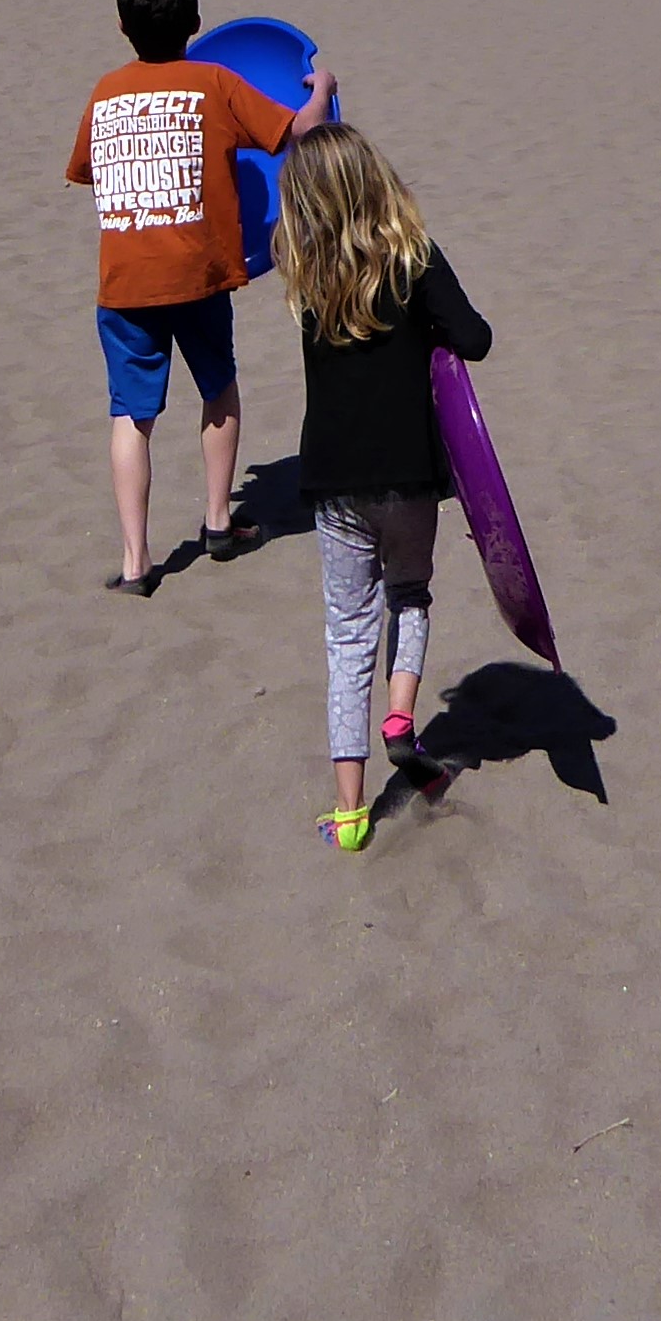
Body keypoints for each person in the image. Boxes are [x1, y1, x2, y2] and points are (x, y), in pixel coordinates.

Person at [68, 0, 332, 594]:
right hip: (200, 273)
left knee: (131, 414)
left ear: (122, 27)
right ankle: (219, 523)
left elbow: (88, 171)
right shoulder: (213, 81)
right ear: (195, 23)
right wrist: (320, 85)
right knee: (218, 387)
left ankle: (136, 563)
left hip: (127, 279)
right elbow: (303, 130)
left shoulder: (105, 91)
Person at [274, 122, 492, 854]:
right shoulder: (411, 258)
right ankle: (401, 716)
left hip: (334, 483)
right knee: (410, 596)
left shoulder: (302, 268)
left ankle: (349, 809)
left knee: (346, 633)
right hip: (409, 479)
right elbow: (475, 337)